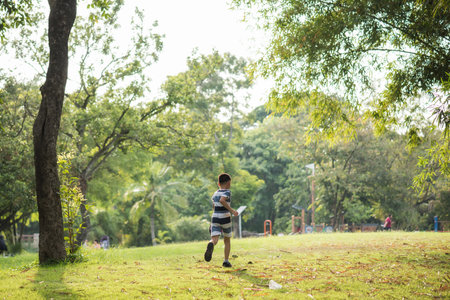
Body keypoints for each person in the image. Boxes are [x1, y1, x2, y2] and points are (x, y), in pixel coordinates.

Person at [204, 173, 239, 267]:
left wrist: (212, 222)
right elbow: (222, 200)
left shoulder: (215, 193)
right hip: (225, 218)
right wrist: (232, 211)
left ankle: (211, 244)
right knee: (227, 240)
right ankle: (226, 261)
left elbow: (214, 205)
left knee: (214, 239)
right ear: (228, 183)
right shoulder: (227, 192)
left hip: (215, 217)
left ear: (218, 184)